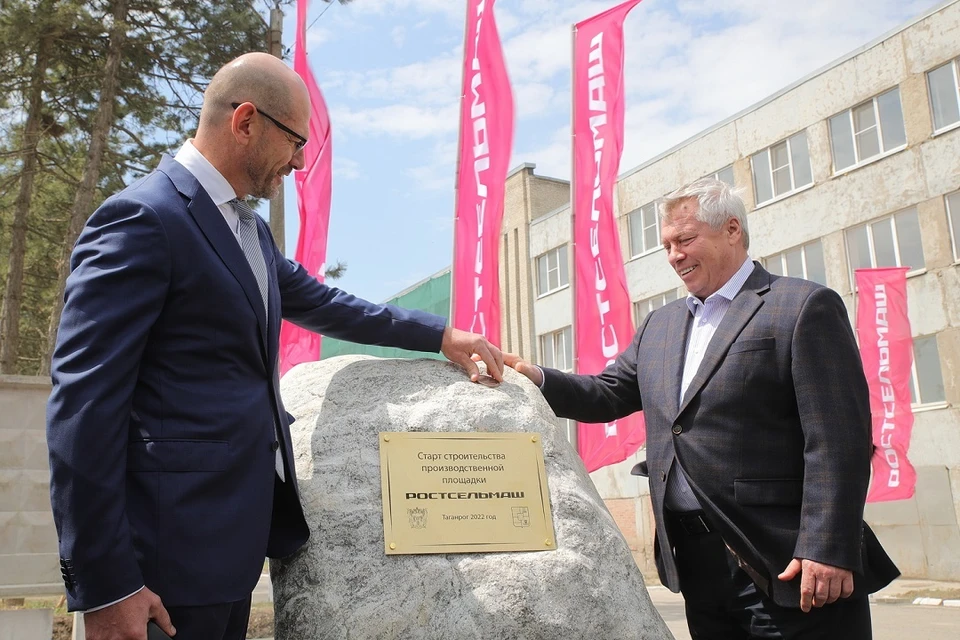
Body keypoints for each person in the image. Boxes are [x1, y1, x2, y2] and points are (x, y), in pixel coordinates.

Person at [46, 52, 504, 640]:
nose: (300, 160)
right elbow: (83, 409)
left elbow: (326, 303)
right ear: (245, 121)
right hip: (160, 567)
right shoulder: (143, 219)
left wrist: (438, 334)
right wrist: (107, 585)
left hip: (229, 553)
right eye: (295, 142)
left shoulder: (248, 229)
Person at [506, 178, 899, 639]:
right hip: (697, 567)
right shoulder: (661, 325)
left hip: (787, 560)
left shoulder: (801, 307)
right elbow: (609, 393)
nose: (674, 255)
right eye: (667, 245)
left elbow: (838, 441)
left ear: (732, 229)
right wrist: (531, 377)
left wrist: (827, 546)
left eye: (685, 240)